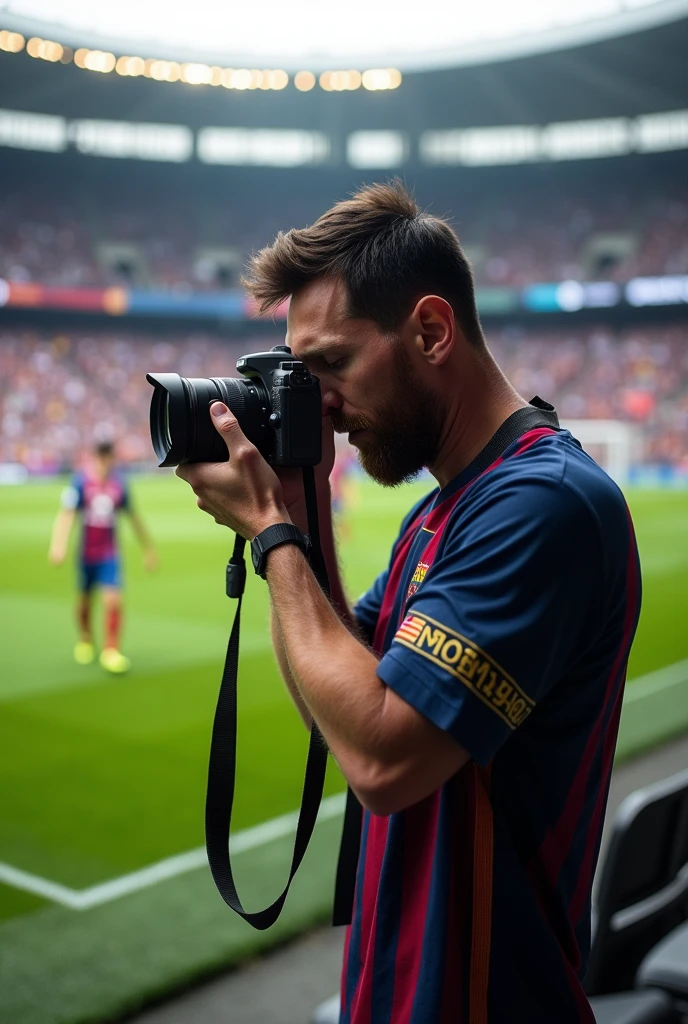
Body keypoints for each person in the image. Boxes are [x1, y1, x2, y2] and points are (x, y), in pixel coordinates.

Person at [177, 182, 641, 1023]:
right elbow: (341, 706)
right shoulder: (441, 512)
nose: (316, 400)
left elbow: (385, 762)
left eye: (331, 364)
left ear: (430, 330)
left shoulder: (545, 503)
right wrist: (300, 507)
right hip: (396, 992)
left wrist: (272, 533)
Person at [48, 440, 157, 674]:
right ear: (96, 458)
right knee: (85, 600)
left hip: (110, 554)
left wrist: (148, 548)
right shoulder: (80, 481)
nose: (106, 464)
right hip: (87, 553)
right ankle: (86, 637)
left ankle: (111, 649)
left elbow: (133, 517)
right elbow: (67, 515)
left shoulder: (119, 485)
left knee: (113, 601)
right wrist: (58, 544)